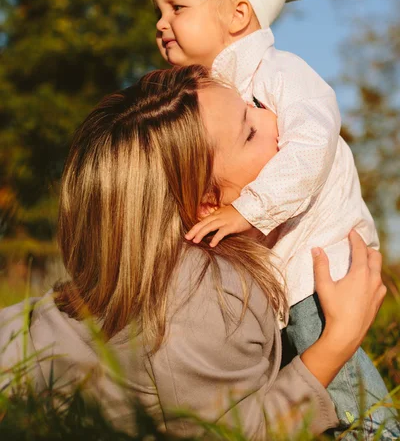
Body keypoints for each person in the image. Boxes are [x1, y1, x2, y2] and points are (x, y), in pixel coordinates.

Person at [0, 66, 389, 439]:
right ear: (208, 202)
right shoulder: (208, 297)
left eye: (253, 105)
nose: (276, 119)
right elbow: (234, 434)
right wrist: (338, 340)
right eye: (250, 131)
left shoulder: (162, 268)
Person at [149, 0, 400, 439]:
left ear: (238, 14)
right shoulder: (216, 92)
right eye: (158, 10)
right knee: (290, 376)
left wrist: (250, 209)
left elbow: (314, 143)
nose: (160, 22)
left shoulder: (281, 73)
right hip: (282, 271)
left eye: (177, 8)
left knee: (338, 381)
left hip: (318, 260)